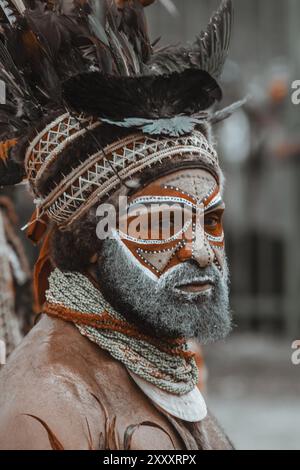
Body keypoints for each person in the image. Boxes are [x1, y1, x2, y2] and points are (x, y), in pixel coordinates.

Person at [0, 0, 237, 450]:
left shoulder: (160, 359)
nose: (203, 250)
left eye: (211, 220)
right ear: (90, 239)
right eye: (164, 221)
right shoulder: (47, 409)